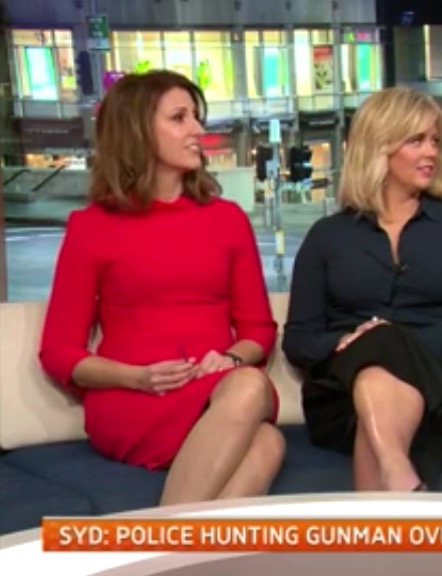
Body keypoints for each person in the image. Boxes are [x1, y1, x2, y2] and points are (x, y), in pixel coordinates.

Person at [38, 70, 284, 506]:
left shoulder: (227, 220)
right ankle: (174, 537)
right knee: (266, 441)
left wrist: (229, 358)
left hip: (222, 392)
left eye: (196, 116)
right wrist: (136, 377)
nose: (198, 130)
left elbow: (258, 331)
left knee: (255, 404)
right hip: (132, 398)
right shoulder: (91, 227)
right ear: (137, 131)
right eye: (179, 118)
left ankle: (161, 537)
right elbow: (59, 352)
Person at [282, 87, 442, 492]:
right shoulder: (327, 236)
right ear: (378, 146)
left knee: (381, 359)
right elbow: (299, 340)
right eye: (416, 141)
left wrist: (393, 342)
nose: (431, 152)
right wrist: (353, 343)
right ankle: (401, 482)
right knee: (374, 367)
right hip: (341, 400)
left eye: (435, 141)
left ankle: (394, 487)